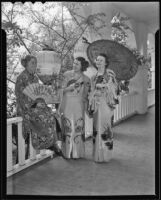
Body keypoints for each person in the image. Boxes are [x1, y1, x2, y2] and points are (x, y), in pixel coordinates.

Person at [88, 53, 119, 163]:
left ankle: (106, 155)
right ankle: (97, 154)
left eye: (101, 60)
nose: (98, 62)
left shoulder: (110, 75)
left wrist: (104, 86)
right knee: (96, 127)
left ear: (106, 62)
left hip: (106, 104)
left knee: (105, 127)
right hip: (96, 104)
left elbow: (115, 89)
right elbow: (90, 92)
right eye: (97, 60)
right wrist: (94, 93)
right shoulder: (93, 77)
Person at [59, 57, 91, 159]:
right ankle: (66, 152)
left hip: (79, 104)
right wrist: (69, 88)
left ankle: (78, 153)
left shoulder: (86, 79)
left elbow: (87, 96)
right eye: (74, 63)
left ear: (82, 66)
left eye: (77, 64)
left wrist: (90, 106)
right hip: (67, 103)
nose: (74, 65)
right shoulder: (66, 75)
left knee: (79, 127)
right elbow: (59, 90)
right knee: (67, 127)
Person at [15, 55, 39, 158]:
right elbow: (19, 95)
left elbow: (38, 94)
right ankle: (19, 161)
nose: (35, 65)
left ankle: (29, 158)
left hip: (33, 111)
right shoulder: (21, 77)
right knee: (22, 140)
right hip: (23, 111)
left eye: (35, 63)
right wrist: (28, 108)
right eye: (32, 62)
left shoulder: (35, 78)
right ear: (26, 64)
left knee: (31, 139)